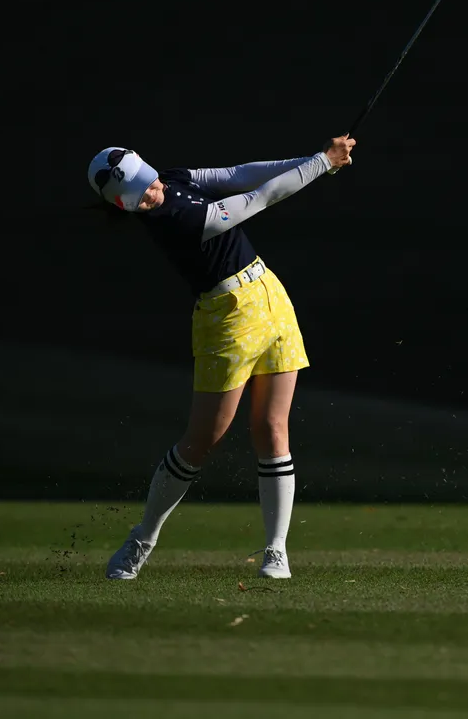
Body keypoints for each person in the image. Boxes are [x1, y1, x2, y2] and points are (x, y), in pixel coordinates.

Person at [86, 135, 356, 580]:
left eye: (147, 182)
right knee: (201, 441)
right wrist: (322, 163)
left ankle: (276, 551)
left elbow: (238, 174)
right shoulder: (176, 220)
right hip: (226, 319)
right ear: (124, 205)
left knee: (273, 429)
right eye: (138, 196)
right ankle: (142, 538)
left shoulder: (172, 179)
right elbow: (259, 197)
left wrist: (317, 160)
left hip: (270, 297)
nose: (150, 193)